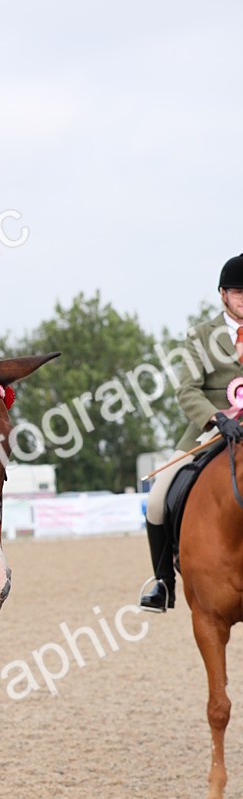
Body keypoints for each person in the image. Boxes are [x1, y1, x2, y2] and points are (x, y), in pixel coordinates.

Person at [139, 253, 243, 611]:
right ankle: (163, 583)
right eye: (237, 291)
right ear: (222, 294)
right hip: (211, 431)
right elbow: (187, 389)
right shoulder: (201, 336)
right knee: (156, 500)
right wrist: (217, 418)